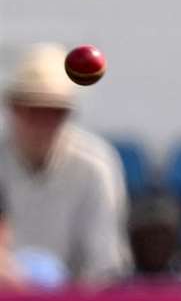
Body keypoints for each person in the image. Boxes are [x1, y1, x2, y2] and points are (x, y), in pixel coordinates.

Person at [0, 43, 130, 284]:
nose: (43, 123)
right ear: (13, 109)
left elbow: (103, 265)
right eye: (32, 110)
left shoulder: (94, 166)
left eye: (54, 112)